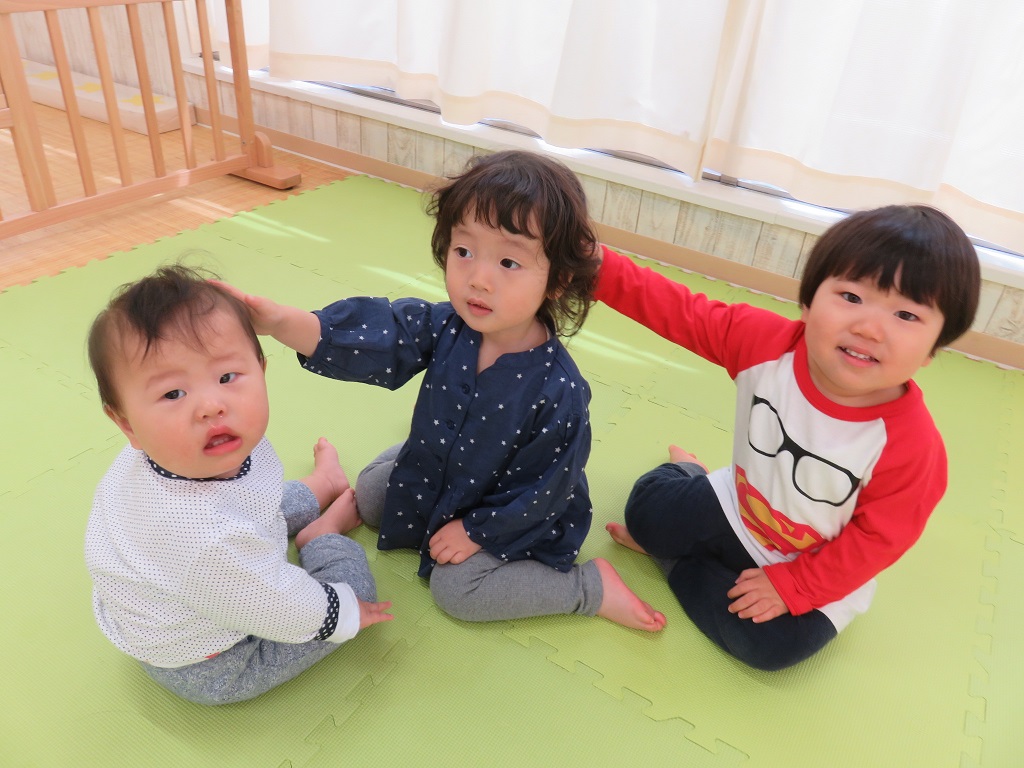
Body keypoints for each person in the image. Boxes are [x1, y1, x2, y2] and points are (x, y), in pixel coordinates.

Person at [223, 150, 666, 632]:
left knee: (457, 592)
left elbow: (545, 491)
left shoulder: (559, 391)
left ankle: (589, 589)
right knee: (373, 493)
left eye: (509, 262)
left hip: (511, 511)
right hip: (445, 477)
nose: (478, 277)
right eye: (464, 251)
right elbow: (380, 336)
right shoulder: (446, 326)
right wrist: (281, 322)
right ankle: (349, 499)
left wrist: (478, 531)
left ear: (558, 280)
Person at [599, 204, 981, 670]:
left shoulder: (911, 447)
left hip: (817, 567)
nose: (869, 327)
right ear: (807, 300)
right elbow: (680, 310)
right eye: (851, 297)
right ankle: (687, 474)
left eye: (906, 314)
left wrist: (793, 586)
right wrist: (594, 266)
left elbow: (875, 544)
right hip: (737, 508)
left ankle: (672, 561)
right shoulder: (767, 344)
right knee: (644, 513)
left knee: (769, 647)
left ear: (933, 349)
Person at [84, 265, 393, 705]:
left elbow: (246, 508)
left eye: (227, 377)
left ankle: (321, 484)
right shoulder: (202, 538)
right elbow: (279, 606)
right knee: (352, 600)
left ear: (261, 370)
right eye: (173, 394)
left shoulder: (178, 456)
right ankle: (322, 538)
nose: (212, 406)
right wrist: (340, 613)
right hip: (207, 659)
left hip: (187, 575)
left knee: (257, 508)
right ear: (126, 422)